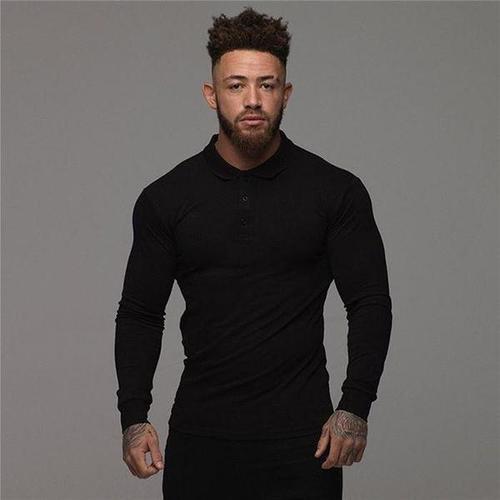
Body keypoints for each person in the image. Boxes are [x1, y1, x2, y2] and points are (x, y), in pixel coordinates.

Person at [114, 7, 392, 500]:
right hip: (201, 440)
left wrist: (355, 407)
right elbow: (140, 313)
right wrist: (134, 417)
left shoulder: (335, 192)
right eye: (236, 85)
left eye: (267, 85)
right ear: (211, 94)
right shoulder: (166, 198)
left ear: (286, 93)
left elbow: (369, 302)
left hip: (304, 443)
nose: (253, 100)